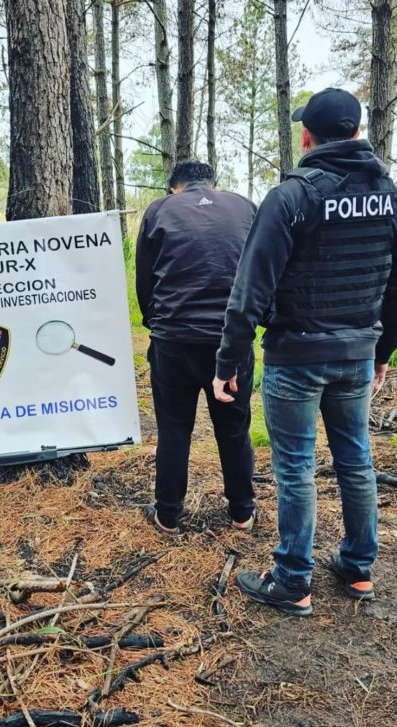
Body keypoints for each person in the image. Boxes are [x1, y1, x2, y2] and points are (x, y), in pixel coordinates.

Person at [213, 88, 397, 616]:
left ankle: (292, 580)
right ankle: (357, 567)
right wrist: (383, 351)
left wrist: (229, 361)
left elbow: (250, 288)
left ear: (309, 137)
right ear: (354, 133)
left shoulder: (292, 196)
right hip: (356, 353)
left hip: (296, 358)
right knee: (357, 460)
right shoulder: (392, 197)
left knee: (296, 467)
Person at [136, 160, 258, 534]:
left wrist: (154, 322)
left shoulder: (159, 210)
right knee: (234, 426)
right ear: (213, 183)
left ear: (174, 187)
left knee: (174, 428)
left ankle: (168, 514)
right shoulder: (244, 206)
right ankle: (242, 512)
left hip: (174, 339)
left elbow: (145, 278)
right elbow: (260, 268)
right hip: (231, 340)